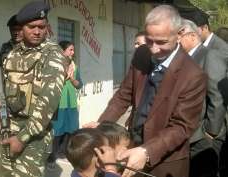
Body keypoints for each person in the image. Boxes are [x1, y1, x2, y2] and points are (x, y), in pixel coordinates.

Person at [85, 5, 207, 177]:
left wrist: (147, 151)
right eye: (149, 40)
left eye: (162, 42)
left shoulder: (193, 75)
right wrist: (102, 127)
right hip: (131, 147)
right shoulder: (142, 53)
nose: (154, 49)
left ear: (179, 34)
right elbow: (123, 95)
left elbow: (181, 127)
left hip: (165, 160)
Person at [0, 1, 68, 177]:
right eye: (31, 27)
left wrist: (22, 138)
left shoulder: (53, 54)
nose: (37, 31)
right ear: (22, 27)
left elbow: (47, 105)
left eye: (42, 27)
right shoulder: (11, 51)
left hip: (33, 136)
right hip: (7, 127)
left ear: (47, 27)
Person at [179, 19, 227, 177]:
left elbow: (217, 96)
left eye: (180, 34)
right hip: (190, 133)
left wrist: (210, 131)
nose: (176, 39)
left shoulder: (209, 55)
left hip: (203, 136)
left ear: (192, 36)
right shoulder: (184, 58)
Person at [47, 40, 83, 166]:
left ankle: (64, 152)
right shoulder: (54, 66)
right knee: (57, 128)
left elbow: (79, 85)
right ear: (62, 51)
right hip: (59, 103)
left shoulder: (74, 66)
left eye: (73, 50)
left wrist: (72, 78)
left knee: (71, 128)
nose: (73, 52)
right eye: (70, 50)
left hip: (71, 102)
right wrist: (63, 76)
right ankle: (53, 155)